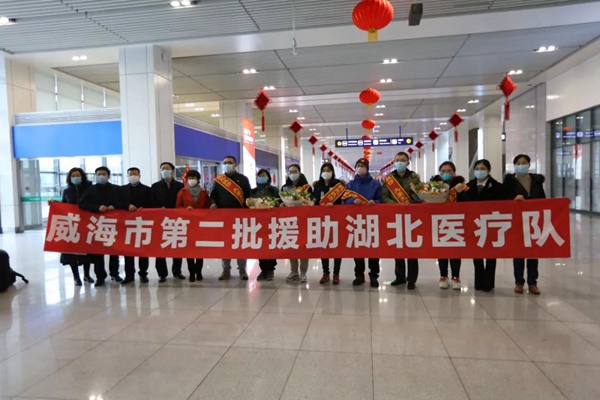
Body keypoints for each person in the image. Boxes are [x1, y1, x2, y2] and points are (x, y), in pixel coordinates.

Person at [458, 159, 507, 292]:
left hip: (492, 224)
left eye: (483, 168)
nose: (479, 171)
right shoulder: (468, 186)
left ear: (489, 170)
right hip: (475, 225)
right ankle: (479, 281)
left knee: (491, 254)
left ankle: (488, 282)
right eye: (477, 169)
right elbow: (462, 203)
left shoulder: (497, 186)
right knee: (477, 253)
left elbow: (504, 204)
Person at [79, 166, 128, 286]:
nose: (101, 176)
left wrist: (114, 206)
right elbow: (82, 203)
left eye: (104, 174)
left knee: (114, 251)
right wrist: (97, 208)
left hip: (114, 225)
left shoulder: (116, 189)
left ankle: (114, 273)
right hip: (98, 225)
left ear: (108, 176)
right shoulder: (91, 189)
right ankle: (100, 276)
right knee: (98, 252)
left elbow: (122, 202)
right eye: (99, 174)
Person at [504, 154, 545, 295]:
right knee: (519, 252)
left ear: (529, 164)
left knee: (533, 252)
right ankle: (519, 282)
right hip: (517, 221)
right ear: (514, 165)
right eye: (518, 163)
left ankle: (533, 283)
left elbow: (543, 199)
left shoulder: (536, 181)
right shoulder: (509, 182)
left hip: (533, 221)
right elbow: (504, 200)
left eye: (524, 162)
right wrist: (513, 199)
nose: (521, 165)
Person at [382, 151, 422, 290]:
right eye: (397, 160)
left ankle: (411, 279)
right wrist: (396, 205)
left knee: (412, 250)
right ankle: (399, 277)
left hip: (411, 218)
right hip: (395, 217)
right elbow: (384, 196)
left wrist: (411, 201)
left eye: (402, 160)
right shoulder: (389, 179)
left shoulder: (414, 178)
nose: (400, 162)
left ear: (407, 162)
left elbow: (420, 196)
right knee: (397, 249)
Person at [210, 156, 251, 281]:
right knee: (226, 243)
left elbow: (249, 196)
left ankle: (242, 269)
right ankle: (226, 269)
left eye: (230, 162)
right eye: (225, 162)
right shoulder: (219, 180)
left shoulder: (243, 179)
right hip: (224, 217)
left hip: (240, 217)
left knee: (241, 243)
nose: (227, 164)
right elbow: (213, 196)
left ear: (235, 164)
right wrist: (213, 203)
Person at [344, 158, 382, 288]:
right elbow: (345, 200)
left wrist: (375, 202)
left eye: (363, 166)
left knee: (373, 249)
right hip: (356, 221)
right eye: (358, 165)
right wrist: (352, 201)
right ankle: (359, 275)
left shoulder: (375, 184)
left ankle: (374, 275)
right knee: (358, 248)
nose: (360, 168)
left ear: (367, 168)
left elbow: (381, 199)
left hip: (372, 221)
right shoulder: (351, 184)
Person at [54, 167, 93, 286]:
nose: (75, 177)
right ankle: (76, 277)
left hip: (86, 225)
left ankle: (87, 274)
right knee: (71, 252)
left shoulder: (89, 189)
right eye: (73, 176)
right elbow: (63, 206)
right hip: (72, 226)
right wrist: (54, 204)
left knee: (86, 251)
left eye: (78, 175)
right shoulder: (67, 191)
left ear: (82, 176)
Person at [431, 161, 466, 290]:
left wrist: (460, 192)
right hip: (439, 221)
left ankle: (456, 276)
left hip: (456, 221)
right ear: (439, 173)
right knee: (442, 250)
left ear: (454, 173)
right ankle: (443, 276)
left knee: (455, 250)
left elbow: (468, 200)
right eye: (443, 171)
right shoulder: (433, 186)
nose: (446, 173)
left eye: (449, 171)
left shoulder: (462, 185)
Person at [116, 167, 153, 285]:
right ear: (127, 176)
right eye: (130, 174)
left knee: (143, 251)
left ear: (139, 176)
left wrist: (144, 209)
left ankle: (143, 273)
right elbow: (116, 202)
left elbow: (152, 204)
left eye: (135, 174)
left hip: (142, 224)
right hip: (126, 225)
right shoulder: (121, 190)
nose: (133, 176)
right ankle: (129, 275)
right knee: (128, 251)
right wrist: (126, 206)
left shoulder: (147, 190)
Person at [151, 162, 185, 283]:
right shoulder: (155, 186)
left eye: (167, 168)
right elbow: (151, 202)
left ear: (172, 171)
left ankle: (177, 271)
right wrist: (159, 208)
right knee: (160, 247)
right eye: (162, 169)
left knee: (176, 246)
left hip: (176, 220)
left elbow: (183, 201)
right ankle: (162, 274)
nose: (164, 170)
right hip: (160, 221)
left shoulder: (180, 186)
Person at [312, 162, 345, 285]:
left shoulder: (338, 185)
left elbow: (343, 201)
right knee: (324, 247)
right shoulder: (317, 186)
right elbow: (314, 201)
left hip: (336, 220)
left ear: (332, 172)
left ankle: (336, 273)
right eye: (324, 170)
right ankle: (325, 272)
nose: (326, 173)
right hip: (322, 220)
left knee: (337, 247)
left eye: (328, 170)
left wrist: (334, 205)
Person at [176, 169, 210, 282]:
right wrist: (185, 209)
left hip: (200, 224)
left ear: (198, 180)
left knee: (200, 249)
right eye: (190, 178)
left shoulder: (204, 192)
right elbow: (177, 207)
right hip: (187, 224)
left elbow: (207, 206)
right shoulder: (182, 192)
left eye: (194, 178)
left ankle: (198, 271)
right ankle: (191, 272)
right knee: (190, 249)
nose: (192, 180)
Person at [281, 164, 311, 283]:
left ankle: (303, 272)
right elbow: (281, 201)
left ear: (299, 172)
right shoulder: (285, 187)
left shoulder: (306, 187)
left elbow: (311, 200)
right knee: (291, 245)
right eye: (290, 172)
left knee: (303, 246)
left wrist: (305, 202)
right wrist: (282, 204)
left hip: (304, 220)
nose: (292, 174)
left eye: (295, 171)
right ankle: (294, 271)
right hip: (290, 221)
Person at [249, 169, 280, 281]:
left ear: (268, 177)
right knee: (260, 246)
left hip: (271, 222)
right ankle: (263, 269)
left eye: (264, 175)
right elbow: (249, 204)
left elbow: (278, 203)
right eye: (260, 175)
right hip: (258, 222)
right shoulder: (253, 191)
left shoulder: (274, 190)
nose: (261, 177)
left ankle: (270, 269)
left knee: (271, 245)